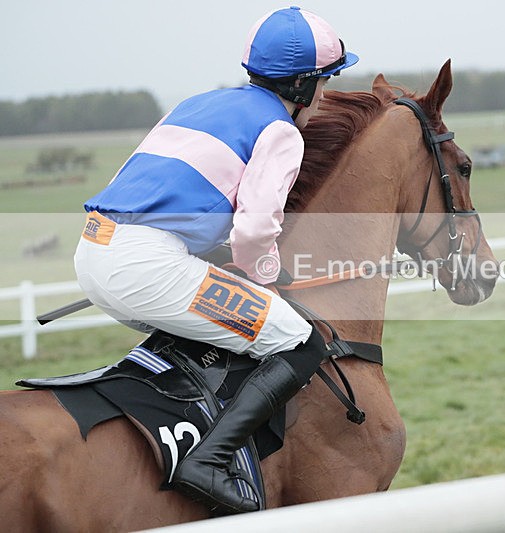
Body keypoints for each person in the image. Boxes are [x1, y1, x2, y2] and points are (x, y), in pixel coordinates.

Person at [73, 7, 358, 514]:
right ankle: (207, 462)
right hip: (147, 267)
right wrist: (269, 274)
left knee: (230, 331)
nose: (325, 94)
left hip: (95, 250)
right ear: (300, 85)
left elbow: (141, 186)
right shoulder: (281, 132)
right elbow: (253, 233)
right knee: (298, 340)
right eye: (325, 80)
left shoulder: (196, 102)